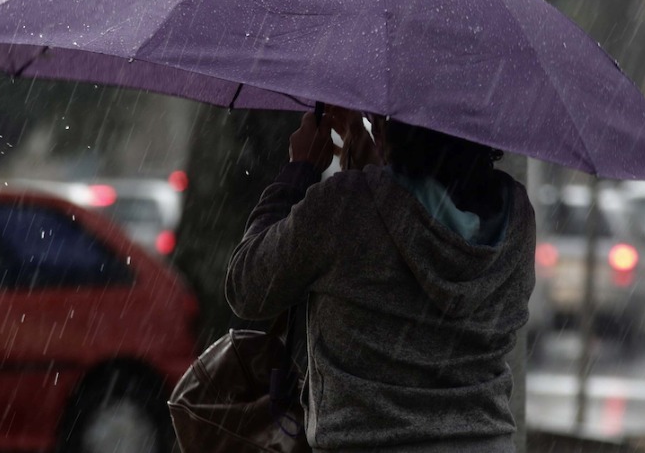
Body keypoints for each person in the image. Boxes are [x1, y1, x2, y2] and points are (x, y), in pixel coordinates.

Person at [225, 106, 536, 453]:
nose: (375, 126)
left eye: (382, 119)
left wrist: (300, 170)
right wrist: (377, 174)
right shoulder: (518, 217)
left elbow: (247, 285)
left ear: (395, 132)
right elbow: (417, 219)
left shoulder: (345, 205)